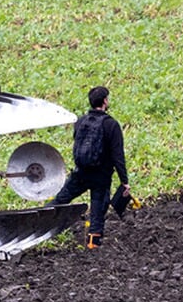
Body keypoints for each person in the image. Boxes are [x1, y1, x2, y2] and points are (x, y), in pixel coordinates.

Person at [49, 85, 127, 249]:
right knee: (97, 211)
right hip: (101, 176)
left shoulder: (80, 121)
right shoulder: (111, 125)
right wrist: (124, 181)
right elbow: (118, 156)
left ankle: (40, 224)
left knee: (61, 199)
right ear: (105, 101)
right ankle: (93, 244)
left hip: (80, 173)